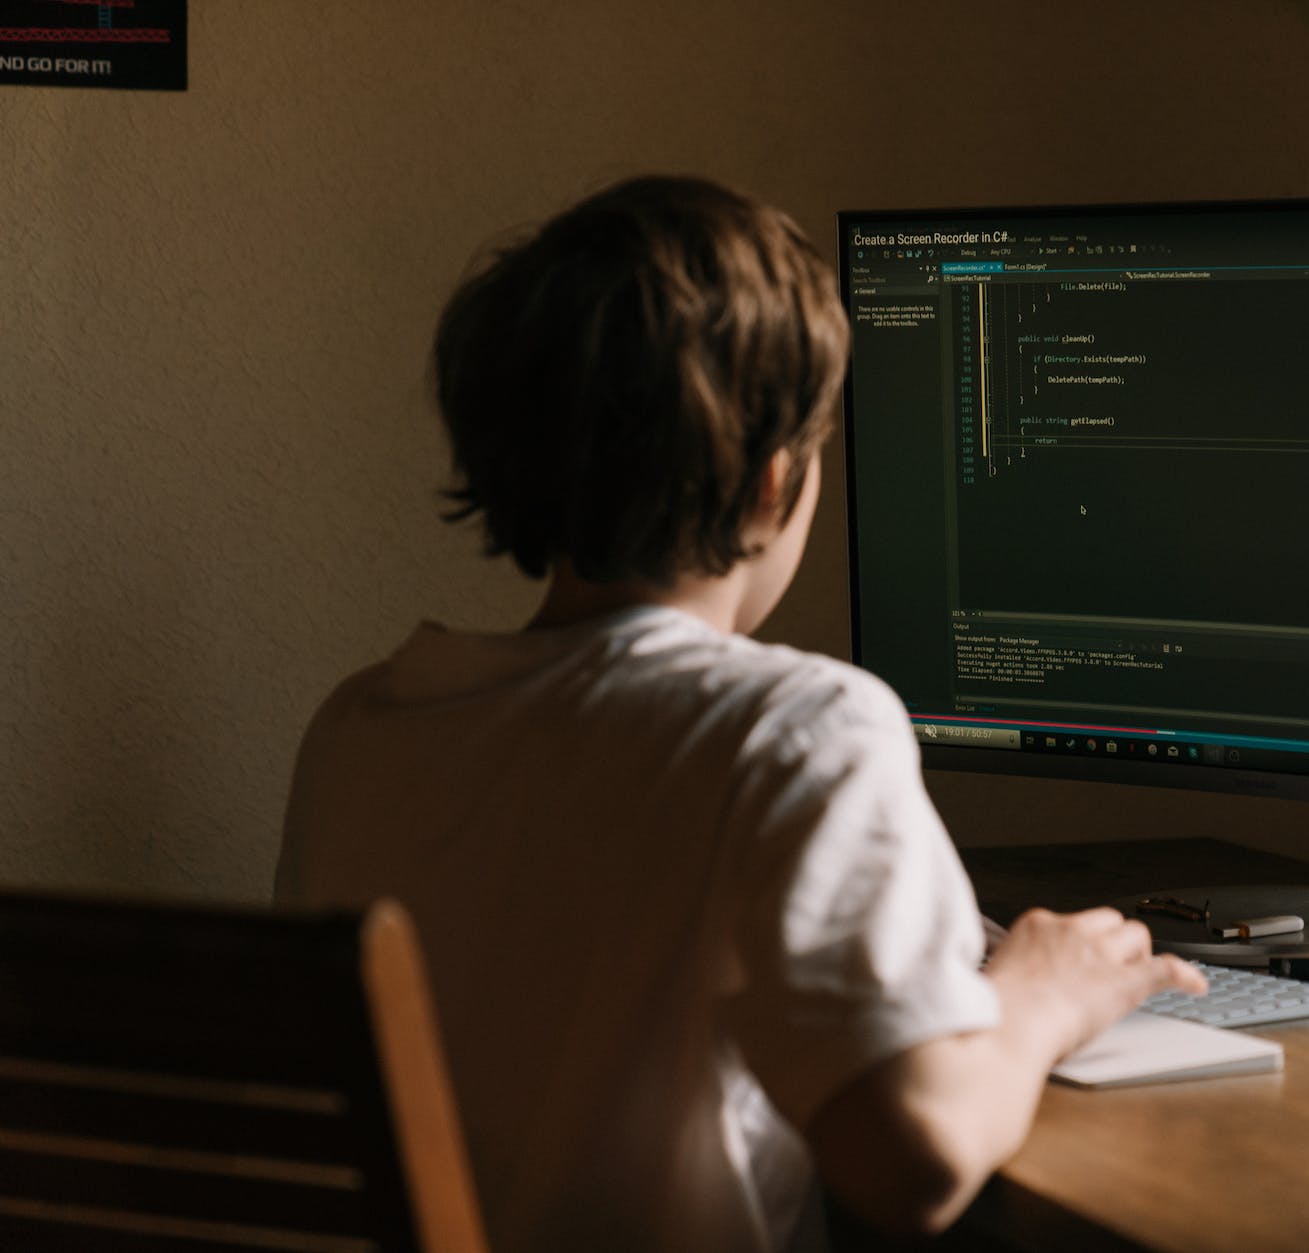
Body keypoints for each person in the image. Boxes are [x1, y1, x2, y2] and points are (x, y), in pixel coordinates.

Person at [274, 174, 1204, 1251]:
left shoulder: (359, 726)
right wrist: (1040, 994)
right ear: (775, 481)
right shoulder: (797, 727)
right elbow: (913, 1159)